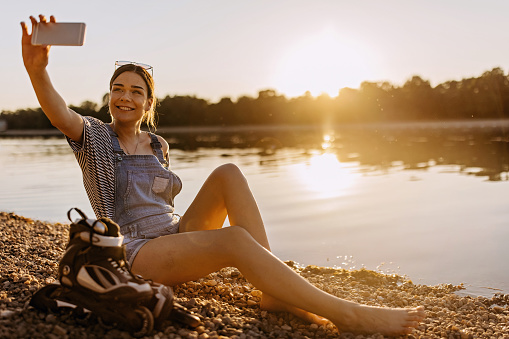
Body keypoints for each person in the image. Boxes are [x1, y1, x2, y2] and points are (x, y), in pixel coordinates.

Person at [21, 15, 425, 336]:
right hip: (137, 251)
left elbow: (165, 207)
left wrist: (186, 238)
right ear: (110, 96)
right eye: (118, 88)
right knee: (234, 239)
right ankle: (348, 314)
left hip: (172, 235)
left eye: (136, 91)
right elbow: (60, 114)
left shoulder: (158, 145)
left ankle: (274, 293)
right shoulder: (95, 137)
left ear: (147, 101)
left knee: (229, 171)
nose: (125, 96)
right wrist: (38, 72)